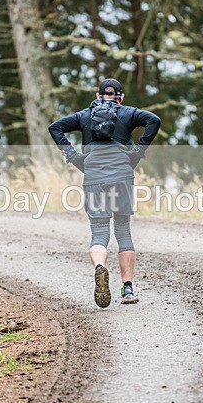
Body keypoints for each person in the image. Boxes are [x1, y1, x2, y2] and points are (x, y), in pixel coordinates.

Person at [48, 78, 161, 308]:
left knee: (99, 233)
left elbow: (55, 127)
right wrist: (138, 151)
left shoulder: (84, 115)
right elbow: (153, 120)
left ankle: (100, 267)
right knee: (123, 232)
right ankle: (127, 289)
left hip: (94, 177)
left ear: (98, 95)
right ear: (120, 97)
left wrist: (73, 157)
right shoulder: (128, 113)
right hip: (122, 176)